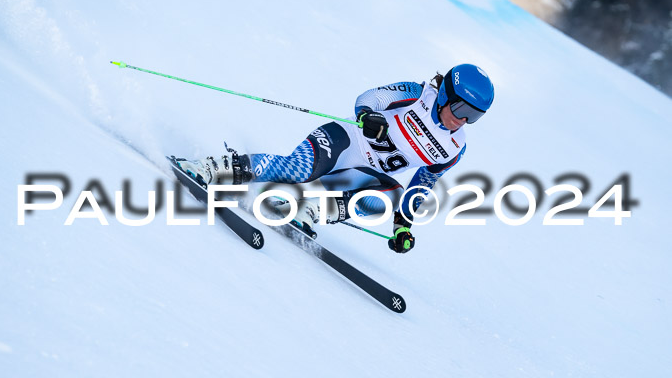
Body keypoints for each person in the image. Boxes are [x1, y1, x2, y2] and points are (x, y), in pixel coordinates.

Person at [177, 63, 495, 253]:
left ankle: (307, 211)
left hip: (359, 175)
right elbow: (371, 98)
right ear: (444, 95)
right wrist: (368, 115)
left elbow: (421, 184)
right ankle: (210, 168)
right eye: (460, 109)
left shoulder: (454, 147)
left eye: (474, 116)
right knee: (298, 169)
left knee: (391, 196)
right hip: (342, 142)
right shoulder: (418, 93)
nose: (462, 120)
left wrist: (403, 226)